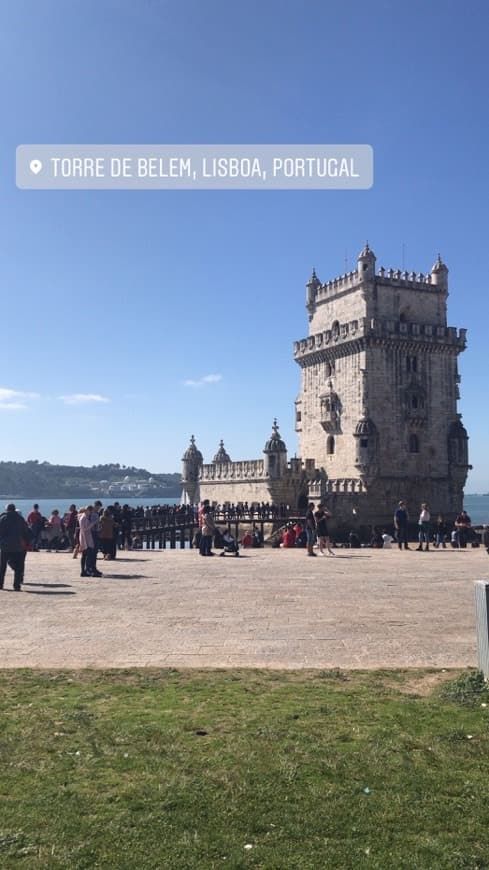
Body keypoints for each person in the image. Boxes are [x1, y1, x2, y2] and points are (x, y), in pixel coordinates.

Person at [0, 503, 32, 591]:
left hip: (5, 546)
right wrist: (27, 543)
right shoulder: (20, 519)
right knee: (18, 567)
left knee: (2, 566)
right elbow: (26, 532)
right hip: (18, 546)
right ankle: (17, 585)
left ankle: (1, 584)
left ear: (7, 509)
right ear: (14, 509)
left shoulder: (3, 518)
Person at [79, 506, 103, 577]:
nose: (91, 513)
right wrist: (93, 523)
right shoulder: (83, 518)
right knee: (87, 554)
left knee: (85, 554)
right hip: (85, 537)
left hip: (86, 536)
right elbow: (85, 528)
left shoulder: (84, 517)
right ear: (88, 511)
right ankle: (87, 570)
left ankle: (85, 571)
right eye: (91, 512)